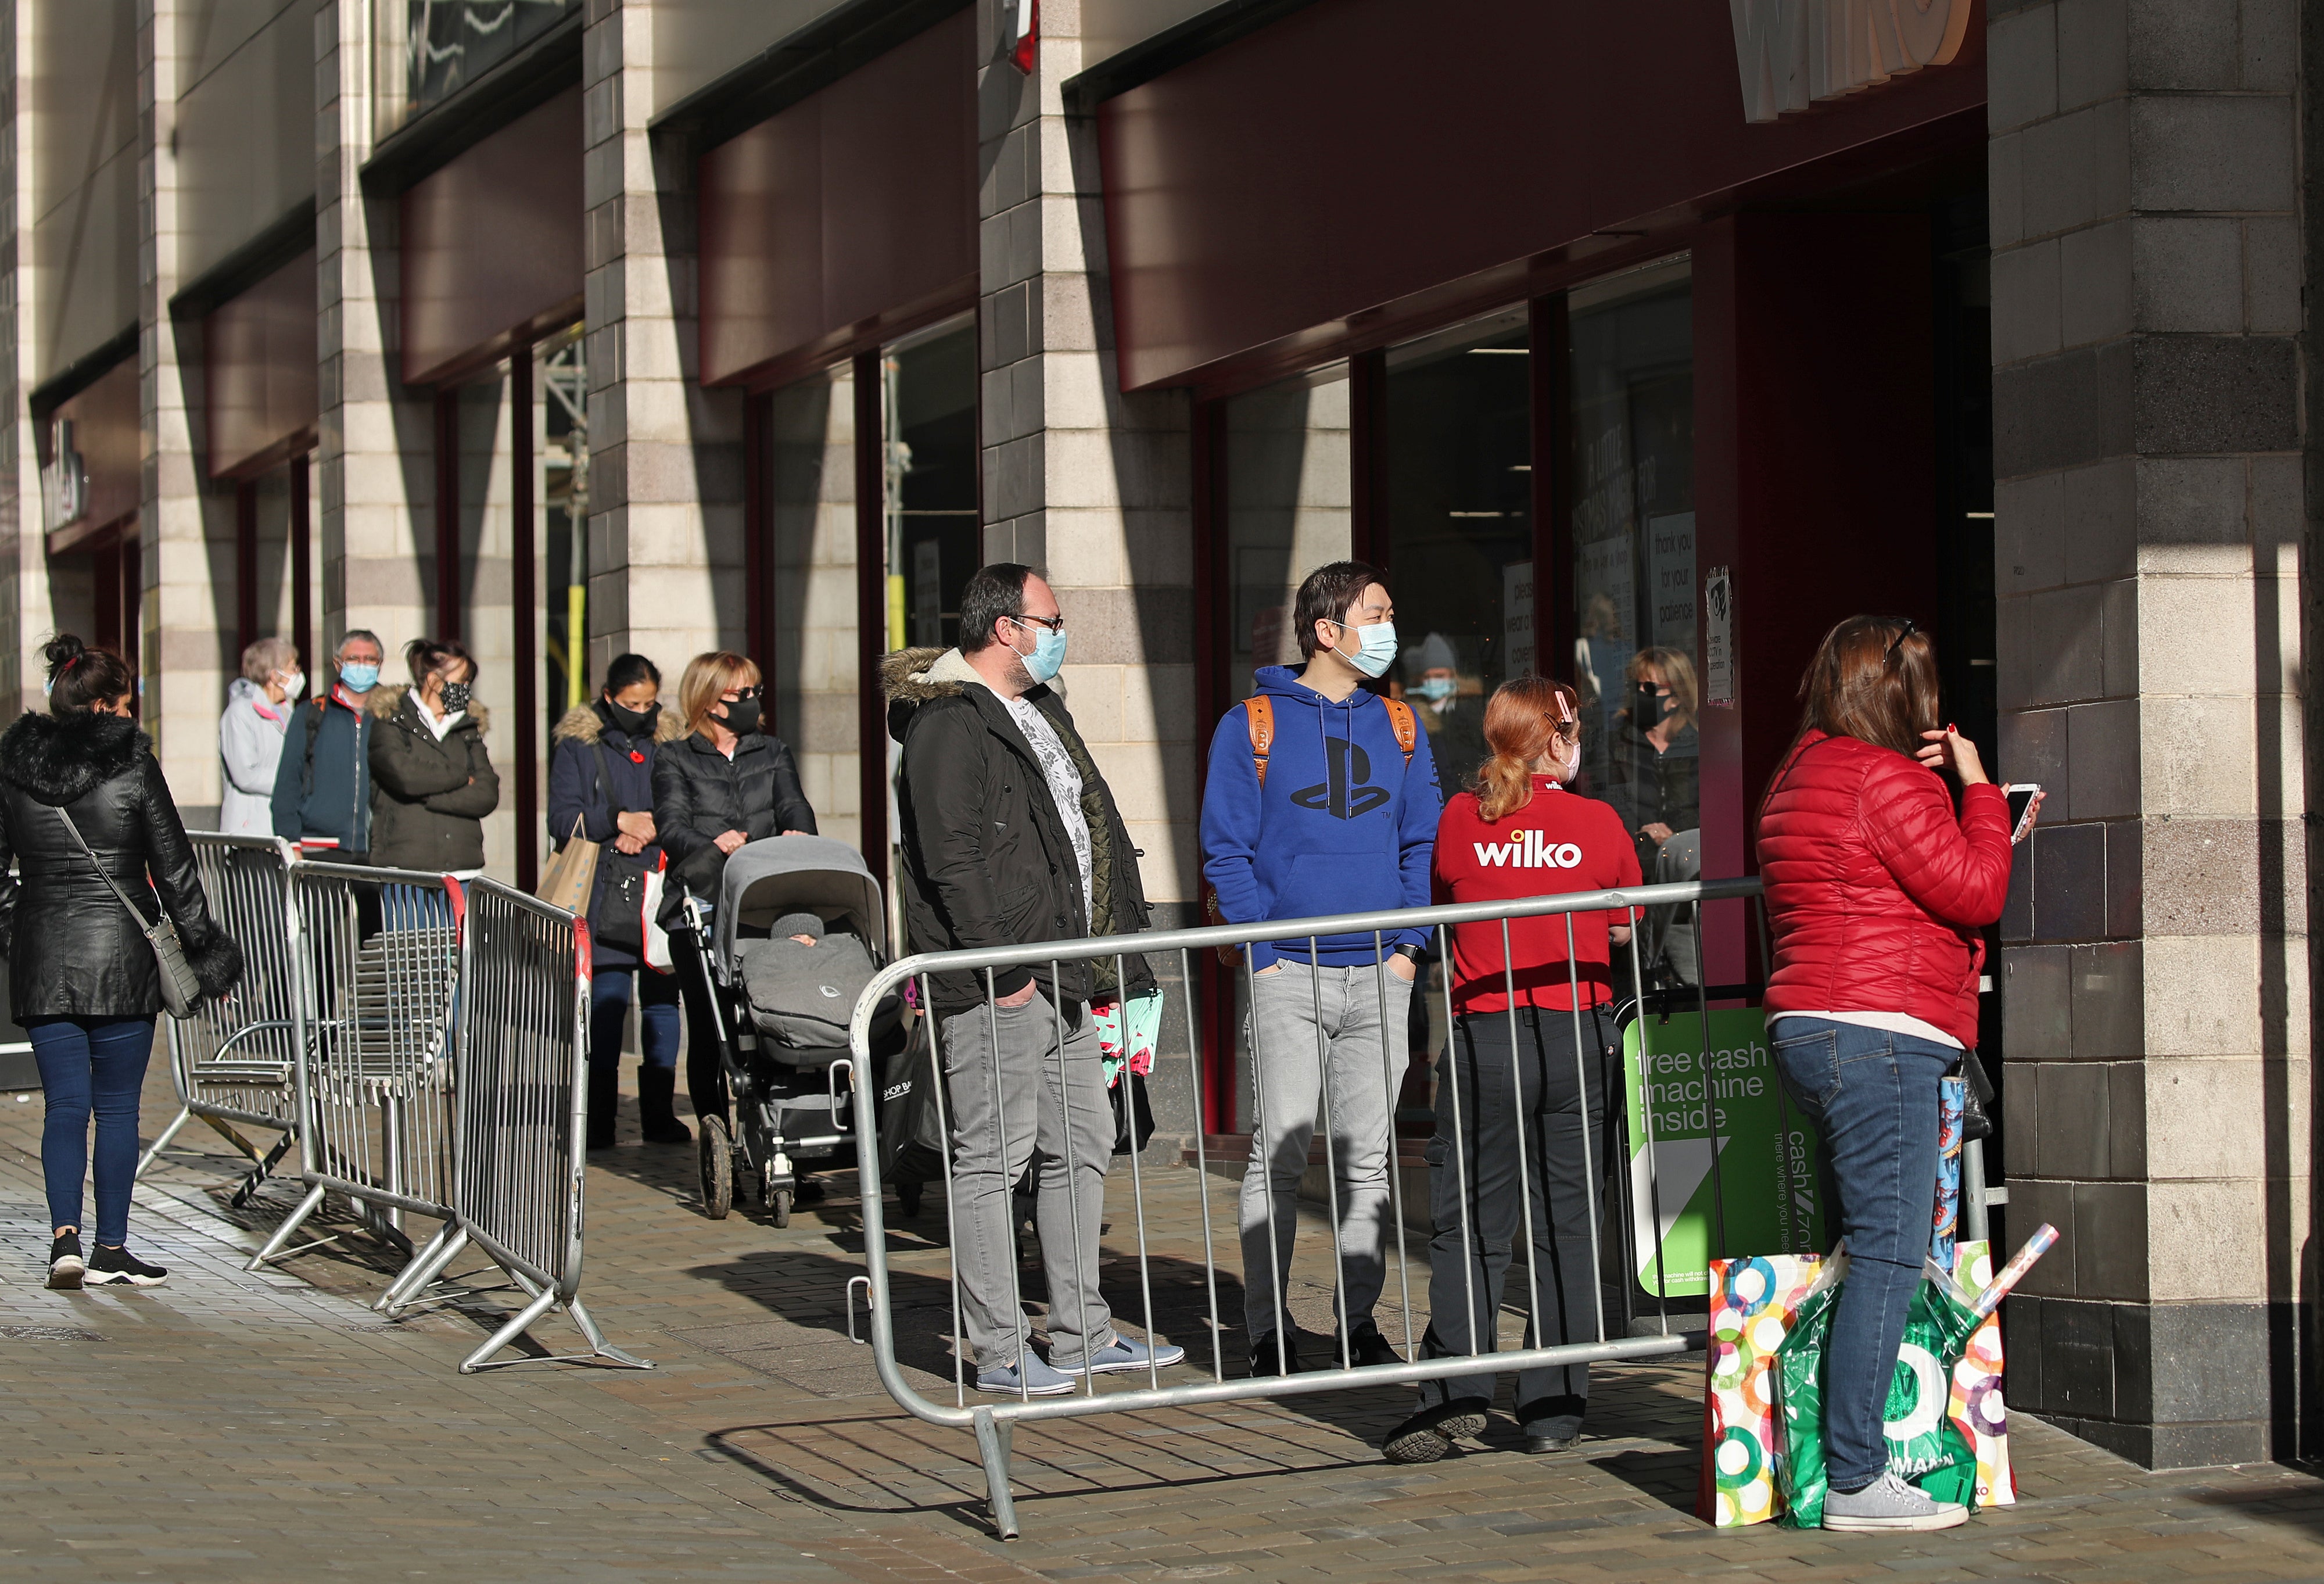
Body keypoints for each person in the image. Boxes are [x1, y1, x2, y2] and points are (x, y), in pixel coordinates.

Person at [1758, 615, 2033, 1533]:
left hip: (1815, 1023)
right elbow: (1976, 889)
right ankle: (1856, 1476)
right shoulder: (1887, 779)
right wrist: (1981, 789)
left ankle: (1845, 1456)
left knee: (1865, 1248)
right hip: (1883, 1033)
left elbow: (1883, 887)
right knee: (1888, 1255)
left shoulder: (1803, 769)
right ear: (1899, 695)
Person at [885, 563, 1181, 1395]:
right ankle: (1002, 1346)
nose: (1060, 635)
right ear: (1005, 627)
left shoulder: (1041, 710)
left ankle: (1082, 1330)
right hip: (1000, 980)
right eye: (1050, 620)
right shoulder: (950, 723)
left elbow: (1083, 836)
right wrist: (1003, 967)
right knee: (992, 1160)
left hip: (1067, 971)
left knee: (1081, 1147)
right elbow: (952, 859)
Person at [1383, 678, 1639, 1464]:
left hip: (1485, 1037)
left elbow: (1443, 891)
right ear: (1556, 739)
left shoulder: (1462, 817)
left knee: (1470, 1223)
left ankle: (1455, 1388)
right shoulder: (1596, 822)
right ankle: (1554, 1407)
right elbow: (1626, 921)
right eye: (1576, 729)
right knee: (1567, 1222)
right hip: (1574, 1036)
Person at [1201, 560, 1441, 1376]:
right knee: (1280, 1151)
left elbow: (1423, 844)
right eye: (1375, 613)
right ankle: (1269, 1330)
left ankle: (1360, 1321)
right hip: (1288, 977)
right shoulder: (1253, 724)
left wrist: (1409, 953)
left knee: (1368, 1158)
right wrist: (1261, 956)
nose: (1389, 627)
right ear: (1326, 630)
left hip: (1381, 972)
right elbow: (1225, 852)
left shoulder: (1403, 725)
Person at [2, 636, 243, 1289]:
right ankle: (112, 1246)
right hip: (123, 957)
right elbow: (173, 867)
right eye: (127, 702)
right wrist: (206, 951)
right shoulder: (133, 765)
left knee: (63, 1105)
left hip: (44, 954)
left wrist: (16, 931)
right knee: (116, 1109)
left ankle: (63, 1243)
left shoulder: (14, 764)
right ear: (105, 704)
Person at [653, 650, 817, 1123]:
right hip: (701, 905)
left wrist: (798, 832)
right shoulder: (675, 756)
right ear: (708, 701)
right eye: (740, 693)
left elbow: (794, 805)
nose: (752, 701)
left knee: (768, 1022)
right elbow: (671, 824)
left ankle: (776, 1137)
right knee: (712, 1030)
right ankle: (716, 1133)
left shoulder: (772, 751)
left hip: (761, 903)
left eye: (755, 691)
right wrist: (712, 842)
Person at [548, 654, 688, 1149]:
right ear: (609, 698)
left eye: (650, 703)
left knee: (662, 1002)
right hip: (602, 892)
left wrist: (651, 823)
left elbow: (686, 803)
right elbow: (563, 818)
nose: (643, 712)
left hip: (659, 884)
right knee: (605, 1005)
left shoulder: (670, 740)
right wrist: (618, 821)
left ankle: (660, 1115)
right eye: (633, 704)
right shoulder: (578, 746)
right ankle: (600, 1121)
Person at [1602, 645, 1702, 985]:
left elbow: (1705, 808)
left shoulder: (1700, 743)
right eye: (1636, 688)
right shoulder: (1619, 742)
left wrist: (1675, 839)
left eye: (1650, 689)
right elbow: (1613, 803)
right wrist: (1646, 838)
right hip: (1635, 874)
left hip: (1684, 883)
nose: (1640, 697)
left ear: (1676, 695)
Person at [366, 639, 500, 890]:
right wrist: (461, 778)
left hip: (462, 872)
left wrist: (429, 798)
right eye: (461, 682)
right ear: (434, 682)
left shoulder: (468, 728)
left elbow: (487, 793)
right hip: (406, 870)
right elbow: (404, 776)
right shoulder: (392, 720)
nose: (466, 689)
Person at [271, 629, 384, 859]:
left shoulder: (394, 715)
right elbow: (288, 782)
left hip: (377, 849)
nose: (362, 665)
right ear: (338, 664)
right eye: (353, 659)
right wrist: (291, 843)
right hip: (319, 847)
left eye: (370, 659)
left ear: (380, 664)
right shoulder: (312, 713)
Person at [218, 638, 302, 837]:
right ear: (275, 675)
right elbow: (245, 776)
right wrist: (293, 783)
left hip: (283, 829)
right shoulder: (239, 713)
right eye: (293, 668)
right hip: (251, 833)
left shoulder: (290, 714)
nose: (298, 673)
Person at [1405, 632, 1487, 794]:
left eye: (1439, 676)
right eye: (1427, 677)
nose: (1432, 682)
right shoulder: (1412, 719)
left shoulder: (1476, 714)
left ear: (1453, 675)